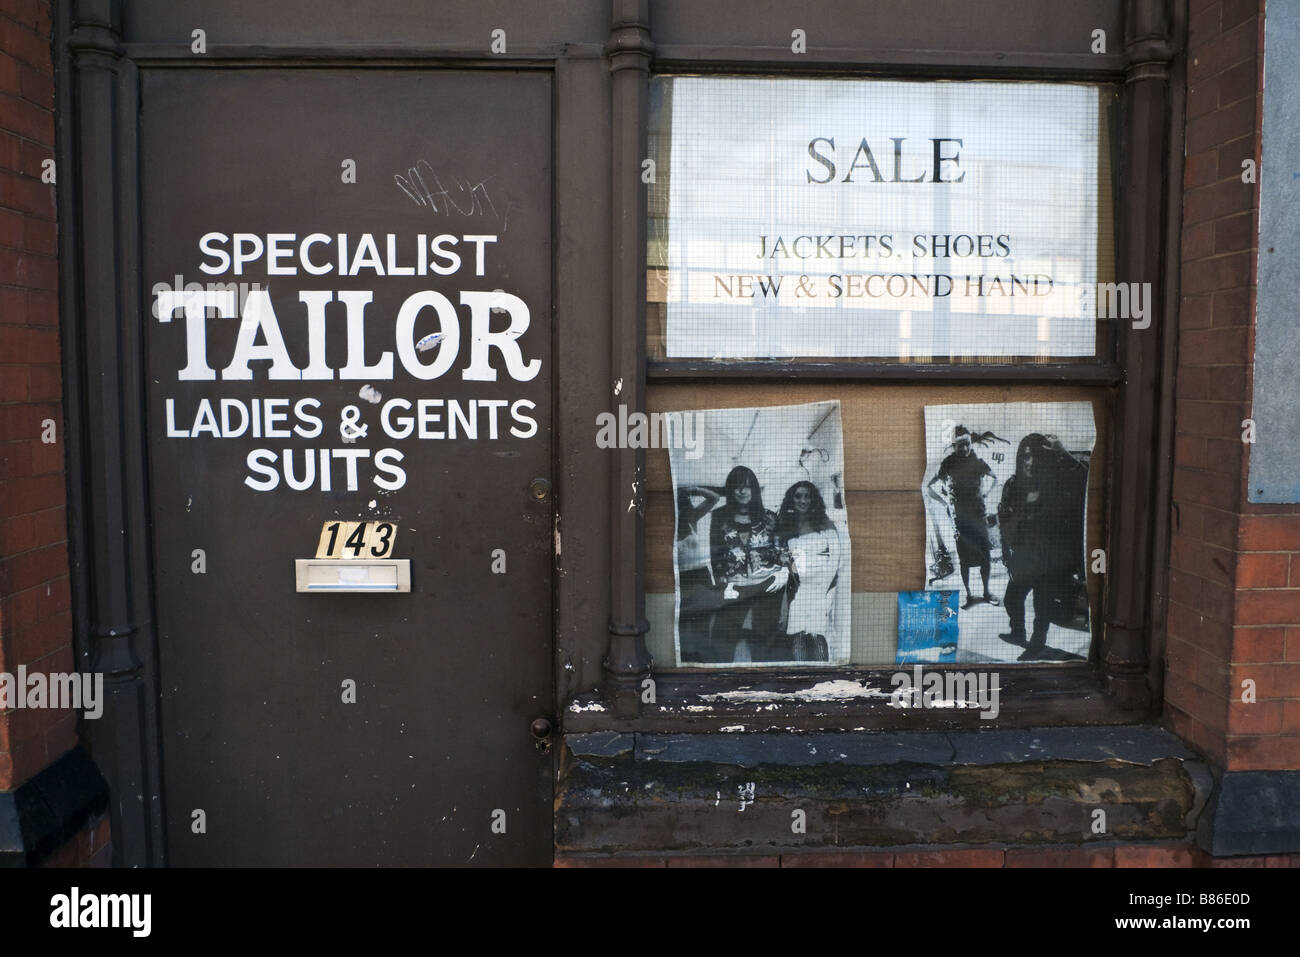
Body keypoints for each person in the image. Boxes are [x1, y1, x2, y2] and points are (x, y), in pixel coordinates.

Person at [996, 433, 1089, 661]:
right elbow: (1005, 520)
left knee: (1042, 607)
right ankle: (1018, 633)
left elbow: (1085, 478)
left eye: (1035, 456)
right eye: (1025, 457)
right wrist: (1007, 552)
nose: (1029, 462)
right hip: (1024, 556)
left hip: (1049, 557)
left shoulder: (1056, 483)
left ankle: (1036, 646)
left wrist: (1063, 453)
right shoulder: (1014, 484)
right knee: (1012, 599)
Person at [708, 466, 790, 662]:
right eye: (736, 487)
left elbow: (782, 547)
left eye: (747, 486)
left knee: (766, 640)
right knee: (722, 639)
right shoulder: (719, 516)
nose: (742, 491)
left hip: (768, 584)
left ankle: (766, 683)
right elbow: (715, 553)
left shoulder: (769, 517)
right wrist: (723, 585)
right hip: (735, 587)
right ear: (730, 490)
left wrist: (784, 570)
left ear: (754, 489)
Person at [927, 426, 1000, 610]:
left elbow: (994, 478)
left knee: (985, 556)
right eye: (960, 445)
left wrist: (986, 494)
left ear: (970, 443)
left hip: (979, 516)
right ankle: (969, 595)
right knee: (965, 558)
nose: (965, 448)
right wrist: (945, 503)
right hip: (960, 519)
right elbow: (929, 486)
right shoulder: (948, 464)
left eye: (967, 444)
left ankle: (986, 592)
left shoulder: (978, 462)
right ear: (954, 446)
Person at [775, 481, 841, 661]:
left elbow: (835, 558)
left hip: (822, 588)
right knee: (798, 635)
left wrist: (825, 591)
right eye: (798, 496)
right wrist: (788, 564)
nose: (802, 501)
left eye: (806, 496)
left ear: (813, 499)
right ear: (791, 499)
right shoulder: (786, 525)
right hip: (798, 591)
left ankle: (823, 677)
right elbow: (786, 558)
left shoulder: (824, 523)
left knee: (817, 634)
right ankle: (801, 675)